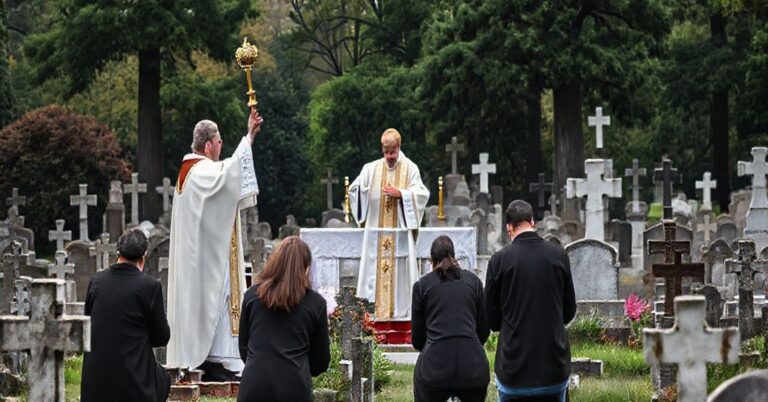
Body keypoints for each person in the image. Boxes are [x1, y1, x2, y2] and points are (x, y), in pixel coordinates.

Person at [166, 107, 263, 380]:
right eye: (219, 142)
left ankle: (214, 358)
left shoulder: (189, 171)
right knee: (218, 297)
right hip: (205, 260)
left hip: (198, 257)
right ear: (208, 145)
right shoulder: (200, 172)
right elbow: (228, 175)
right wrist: (248, 137)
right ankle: (220, 358)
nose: (221, 146)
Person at [484, 200, 577, 402]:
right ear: (532, 222)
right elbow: (569, 311)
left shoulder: (498, 261)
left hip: (513, 370)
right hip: (554, 367)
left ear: (509, 227)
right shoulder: (558, 255)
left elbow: (492, 320)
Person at [81, 229, 171, 402]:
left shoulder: (96, 281)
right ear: (143, 256)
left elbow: (89, 324)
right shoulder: (150, 287)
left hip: (95, 386)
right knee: (163, 379)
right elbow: (161, 337)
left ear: (118, 254)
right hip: (134, 386)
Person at [237, 236, 330, 402]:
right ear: (306, 268)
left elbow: (244, 348)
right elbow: (320, 362)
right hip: (294, 388)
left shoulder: (252, 296)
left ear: (274, 262)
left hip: (254, 386)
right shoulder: (315, 304)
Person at [349, 128, 430, 319]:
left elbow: (422, 194)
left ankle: (401, 315)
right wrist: (361, 191)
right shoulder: (371, 169)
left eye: (392, 152)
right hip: (375, 239)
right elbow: (354, 190)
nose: (389, 156)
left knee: (399, 276)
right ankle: (371, 317)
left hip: (399, 239)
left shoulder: (410, 168)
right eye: (386, 152)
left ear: (399, 147)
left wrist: (402, 194)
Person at [411, 235, 490, 402]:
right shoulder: (474, 282)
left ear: (431, 260)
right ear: (454, 256)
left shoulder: (422, 286)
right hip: (473, 367)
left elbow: (417, 340)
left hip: (434, 369)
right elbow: (483, 331)